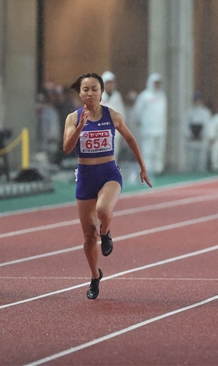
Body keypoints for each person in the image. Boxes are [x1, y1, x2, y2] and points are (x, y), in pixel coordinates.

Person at [63, 72, 152, 300]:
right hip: (85, 177)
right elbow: (66, 148)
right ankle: (95, 276)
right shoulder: (73, 118)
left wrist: (142, 167)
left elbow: (131, 139)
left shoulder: (112, 115)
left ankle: (106, 231)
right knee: (87, 237)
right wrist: (80, 127)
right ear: (80, 93)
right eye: (85, 89)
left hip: (109, 173)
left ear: (102, 92)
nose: (90, 93)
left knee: (103, 211)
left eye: (95, 89)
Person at [132, 73, 168, 175]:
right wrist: (141, 123)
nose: (157, 85)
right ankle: (147, 169)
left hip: (160, 128)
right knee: (148, 150)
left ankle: (158, 169)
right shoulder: (144, 96)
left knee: (159, 150)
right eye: (156, 83)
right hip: (148, 128)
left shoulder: (162, 96)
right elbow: (138, 111)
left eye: (159, 83)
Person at [100, 71, 126, 161]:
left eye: (111, 83)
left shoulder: (117, 97)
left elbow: (121, 114)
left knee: (114, 154)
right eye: (107, 83)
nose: (110, 86)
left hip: (115, 131)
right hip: (101, 132)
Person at [184, 91, 212, 172]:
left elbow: (207, 125)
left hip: (202, 139)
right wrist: (189, 135)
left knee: (201, 160)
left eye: (199, 100)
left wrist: (202, 135)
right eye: (196, 100)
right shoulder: (188, 112)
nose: (197, 101)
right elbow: (185, 125)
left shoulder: (206, 112)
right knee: (191, 160)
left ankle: (201, 174)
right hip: (191, 138)